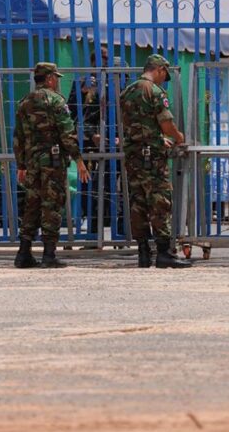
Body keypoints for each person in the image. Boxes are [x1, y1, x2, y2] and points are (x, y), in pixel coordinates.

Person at [13, 62, 90, 268]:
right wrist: (79, 160)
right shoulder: (56, 101)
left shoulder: (24, 102)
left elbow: (18, 137)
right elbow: (67, 134)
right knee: (51, 205)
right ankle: (49, 254)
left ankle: (24, 252)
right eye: (55, 77)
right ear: (49, 78)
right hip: (52, 163)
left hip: (32, 163)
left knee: (32, 204)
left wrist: (21, 165)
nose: (57, 81)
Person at [119, 54, 191, 267]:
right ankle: (163, 253)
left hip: (133, 155)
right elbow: (166, 124)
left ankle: (143, 252)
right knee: (159, 201)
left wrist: (156, 138)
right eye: (164, 75)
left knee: (137, 203)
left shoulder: (128, 92)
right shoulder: (155, 92)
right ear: (158, 69)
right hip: (152, 157)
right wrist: (178, 137)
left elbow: (137, 125)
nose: (164, 79)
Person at [67, 47, 112, 239]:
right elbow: (71, 113)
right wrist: (82, 92)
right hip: (88, 142)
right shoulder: (82, 83)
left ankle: (113, 227)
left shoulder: (114, 82)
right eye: (101, 58)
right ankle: (90, 226)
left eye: (107, 59)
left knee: (110, 185)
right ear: (93, 62)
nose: (104, 62)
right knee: (87, 186)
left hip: (111, 140)